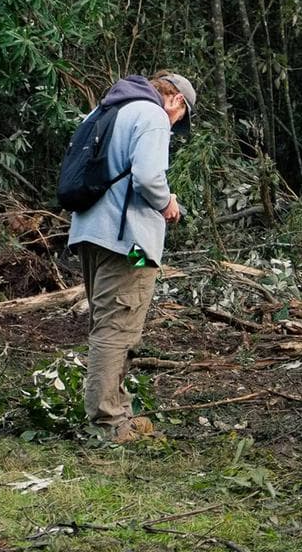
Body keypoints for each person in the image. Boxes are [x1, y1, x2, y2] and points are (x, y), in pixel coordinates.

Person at [67, 71, 197, 442]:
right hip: (129, 242)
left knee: (112, 318)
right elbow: (147, 179)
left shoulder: (103, 111)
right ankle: (109, 423)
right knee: (119, 324)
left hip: (91, 235)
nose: (175, 125)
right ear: (176, 100)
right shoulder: (152, 114)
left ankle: (119, 407)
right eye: (180, 118)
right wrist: (168, 203)